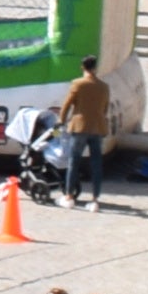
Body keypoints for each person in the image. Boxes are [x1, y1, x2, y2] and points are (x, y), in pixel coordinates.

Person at [57, 60, 115, 210]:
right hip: (97, 128)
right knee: (96, 164)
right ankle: (95, 200)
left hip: (79, 127)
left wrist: (61, 120)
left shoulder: (78, 84)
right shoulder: (104, 87)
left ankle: (69, 196)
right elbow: (105, 108)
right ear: (96, 68)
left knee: (73, 162)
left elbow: (67, 105)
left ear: (82, 67)